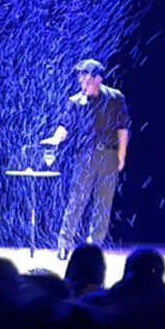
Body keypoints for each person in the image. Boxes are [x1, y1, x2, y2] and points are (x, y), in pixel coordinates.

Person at [41, 58, 131, 259]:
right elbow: (65, 124)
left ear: (98, 79)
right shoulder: (76, 101)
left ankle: (94, 247)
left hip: (109, 155)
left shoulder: (115, 98)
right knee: (77, 201)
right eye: (81, 80)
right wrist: (56, 138)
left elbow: (123, 128)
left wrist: (121, 155)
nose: (83, 83)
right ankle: (64, 245)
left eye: (87, 80)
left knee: (103, 204)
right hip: (85, 156)